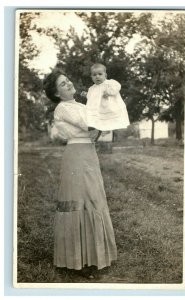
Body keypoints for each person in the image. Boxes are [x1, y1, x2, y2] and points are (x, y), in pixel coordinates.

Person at [43, 68, 117, 279]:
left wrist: (99, 123)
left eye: (68, 80)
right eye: (63, 84)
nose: (69, 84)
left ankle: (95, 256)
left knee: (94, 198)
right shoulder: (63, 108)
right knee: (79, 201)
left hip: (89, 154)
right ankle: (78, 260)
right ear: (57, 93)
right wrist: (98, 121)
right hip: (76, 155)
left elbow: (101, 131)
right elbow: (91, 124)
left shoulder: (81, 105)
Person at [81, 63, 130, 131]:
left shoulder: (109, 83)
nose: (97, 76)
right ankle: (102, 130)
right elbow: (92, 98)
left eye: (100, 74)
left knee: (110, 118)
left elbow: (117, 86)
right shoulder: (92, 88)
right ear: (91, 77)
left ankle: (107, 130)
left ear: (105, 75)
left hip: (109, 106)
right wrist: (86, 94)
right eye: (94, 75)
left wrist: (109, 92)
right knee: (98, 119)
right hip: (99, 109)